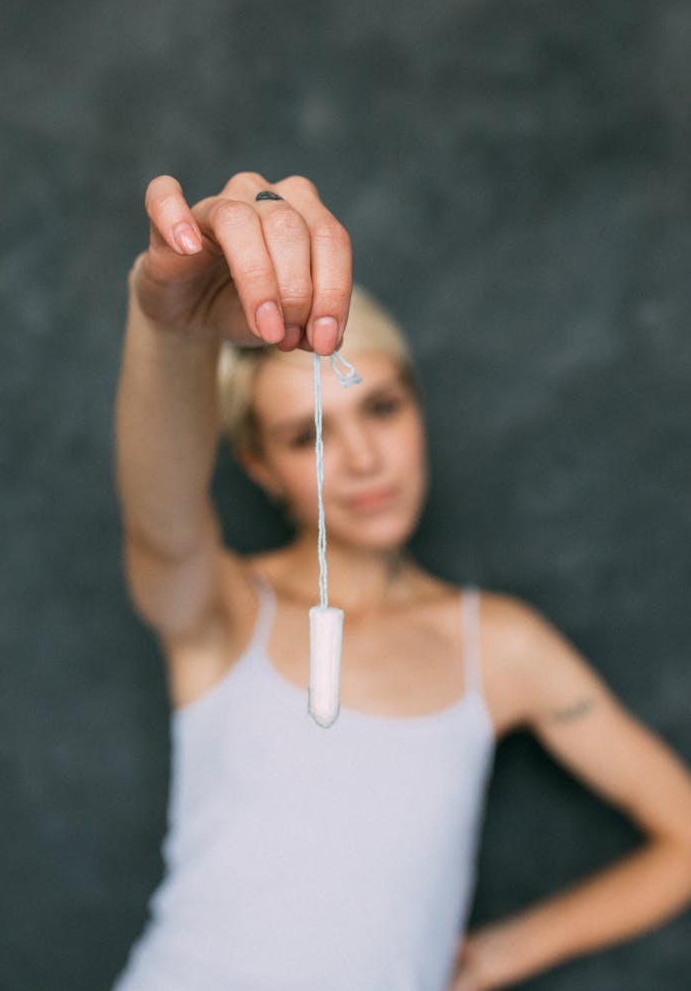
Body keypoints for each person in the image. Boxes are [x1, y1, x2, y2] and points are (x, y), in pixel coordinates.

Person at [111, 171, 691, 991]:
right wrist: (167, 329)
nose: (362, 459)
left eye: (381, 408)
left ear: (417, 411)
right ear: (261, 468)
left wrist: (504, 951)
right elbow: (161, 522)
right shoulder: (223, 611)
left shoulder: (501, 645)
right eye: (309, 435)